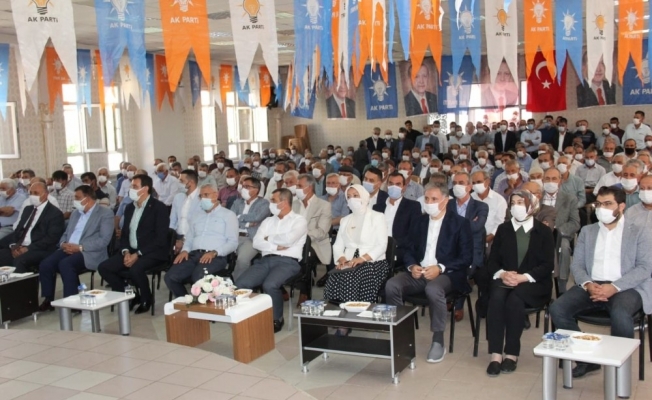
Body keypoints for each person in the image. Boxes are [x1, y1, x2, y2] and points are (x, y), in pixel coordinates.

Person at [550, 186, 652, 378]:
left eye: (607, 204)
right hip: (592, 285)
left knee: (620, 314)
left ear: (621, 206)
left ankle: (619, 371)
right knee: (558, 309)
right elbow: (577, 265)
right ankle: (586, 359)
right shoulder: (588, 231)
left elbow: (644, 267)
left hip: (626, 287)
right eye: (598, 204)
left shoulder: (639, 231)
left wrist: (614, 287)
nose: (601, 208)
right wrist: (588, 284)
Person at [385, 182, 472, 362]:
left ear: (445, 201)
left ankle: (438, 340)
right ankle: (400, 333)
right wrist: (412, 266)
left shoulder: (459, 223)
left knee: (433, 289)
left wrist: (440, 267)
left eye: (434, 199)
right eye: (426, 199)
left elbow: (466, 257)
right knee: (392, 285)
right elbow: (409, 249)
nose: (429, 203)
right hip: (420, 271)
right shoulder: (420, 221)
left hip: (448, 274)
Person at [485, 189, 555, 376]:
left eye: (520, 202)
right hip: (506, 278)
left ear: (531, 206)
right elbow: (492, 261)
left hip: (533, 282)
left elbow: (547, 265)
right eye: (513, 203)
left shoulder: (544, 231)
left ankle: (512, 353)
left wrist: (523, 277)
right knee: (496, 298)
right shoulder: (503, 229)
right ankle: (495, 354)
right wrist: (502, 274)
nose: (516, 206)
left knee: (514, 300)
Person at [235, 189, 308, 332]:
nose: (270, 203)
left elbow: (288, 240)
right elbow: (257, 243)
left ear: (284, 203)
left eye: (273, 200)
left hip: (288, 262)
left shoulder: (299, 220)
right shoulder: (268, 221)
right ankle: (248, 316)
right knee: (241, 283)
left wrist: (268, 238)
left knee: (270, 285)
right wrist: (275, 246)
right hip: (265, 260)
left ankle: (276, 318)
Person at [98, 174, 170, 314]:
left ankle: (146, 298)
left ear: (145, 189)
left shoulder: (158, 208)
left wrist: (138, 254)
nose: (131, 189)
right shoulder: (130, 207)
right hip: (131, 250)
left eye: (135, 187)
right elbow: (125, 234)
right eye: (131, 186)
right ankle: (129, 294)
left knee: (135, 269)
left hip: (152, 251)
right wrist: (125, 251)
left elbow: (160, 239)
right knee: (104, 267)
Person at [38, 185, 114, 311]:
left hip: (88, 252)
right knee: (46, 264)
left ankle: (71, 302)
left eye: (77, 198)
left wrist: (80, 247)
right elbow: (66, 233)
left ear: (87, 198)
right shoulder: (75, 213)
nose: (75, 201)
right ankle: (48, 299)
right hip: (68, 248)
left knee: (65, 264)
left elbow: (104, 240)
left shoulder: (105, 213)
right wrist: (63, 244)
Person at [165, 184, 238, 298]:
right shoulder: (196, 216)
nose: (203, 198)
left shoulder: (228, 215)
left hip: (215, 256)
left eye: (206, 195)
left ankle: (201, 305)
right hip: (193, 255)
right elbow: (189, 238)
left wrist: (214, 252)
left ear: (216, 195)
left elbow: (233, 242)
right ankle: (186, 301)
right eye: (201, 196)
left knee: (198, 277)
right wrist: (185, 250)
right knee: (170, 277)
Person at [324, 184, 388, 309]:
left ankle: (352, 313)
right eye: (348, 197)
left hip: (372, 262)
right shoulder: (345, 220)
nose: (352, 199)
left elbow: (381, 246)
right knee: (334, 276)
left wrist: (361, 259)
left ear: (364, 197)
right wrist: (342, 259)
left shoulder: (377, 217)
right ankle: (337, 312)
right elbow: (337, 245)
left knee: (350, 277)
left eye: (355, 195)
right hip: (349, 261)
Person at [0, 182, 65, 273]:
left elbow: (51, 238)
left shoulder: (55, 213)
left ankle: (24, 282)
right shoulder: (28, 209)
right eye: (30, 193)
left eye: (36, 193)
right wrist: (14, 246)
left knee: (19, 261)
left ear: (46, 194)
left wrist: (27, 248)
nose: (32, 196)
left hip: (40, 248)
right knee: (2, 254)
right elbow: (18, 230)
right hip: (21, 245)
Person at [292, 174, 332, 304]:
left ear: (309, 188)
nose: (296, 188)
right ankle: (281, 289)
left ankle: (304, 292)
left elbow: (321, 232)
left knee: (305, 254)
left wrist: (300, 235)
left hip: (315, 244)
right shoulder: (293, 204)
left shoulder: (323, 205)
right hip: (292, 242)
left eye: (299, 186)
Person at [542, 168, 581, 294]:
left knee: (563, 247)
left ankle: (562, 285)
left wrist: (555, 231)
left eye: (554, 179)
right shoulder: (536, 197)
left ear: (560, 181)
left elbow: (575, 223)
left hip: (560, 236)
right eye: (547, 179)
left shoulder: (570, 199)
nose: (550, 182)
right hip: (538, 235)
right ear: (542, 180)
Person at [230, 177, 270, 280]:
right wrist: (248, 224)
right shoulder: (237, 202)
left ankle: (237, 284)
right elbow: (231, 218)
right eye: (243, 186)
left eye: (247, 186)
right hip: (233, 235)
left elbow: (257, 217)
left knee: (242, 260)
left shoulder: (264, 203)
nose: (243, 189)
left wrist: (239, 217)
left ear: (256, 190)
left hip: (251, 238)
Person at [169, 170, 201, 254]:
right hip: (177, 236)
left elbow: (199, 225)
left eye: (181, 181)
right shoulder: (178, 197)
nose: (178, 183)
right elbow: (172, 220)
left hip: (193, 237)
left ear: (191, 182)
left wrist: (183, 240)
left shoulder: (201, 197)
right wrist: (172, 238)